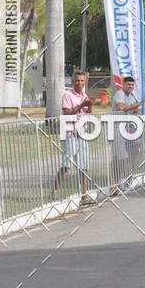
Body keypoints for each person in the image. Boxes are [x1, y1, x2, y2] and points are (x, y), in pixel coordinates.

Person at [54, 71, 95, 206]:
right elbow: (67, 113)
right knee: (67, 165)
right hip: (70, 133)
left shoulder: (84, 95)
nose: (80, 83)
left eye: (82, 81)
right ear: (73, 81)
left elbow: (87, 113)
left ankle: (84, 195)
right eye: (77, 80)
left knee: (84, 166)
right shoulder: (67, 95)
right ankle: (54, 190)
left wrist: (89, 106)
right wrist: (82, 105)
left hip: (82, 132)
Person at [112, 75, 142, 194]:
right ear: (123, 85)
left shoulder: (131, 96)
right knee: (121, 158)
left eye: (132, 85)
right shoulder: (120, 94)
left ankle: (124, 181)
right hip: (117, 130)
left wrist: (142, 107)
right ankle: (118, 182)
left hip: (128, 131)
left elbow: (136, 106)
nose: (130, 87)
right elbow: (120, 107)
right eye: (128, 84)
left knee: (130, 156)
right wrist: (132, 107)